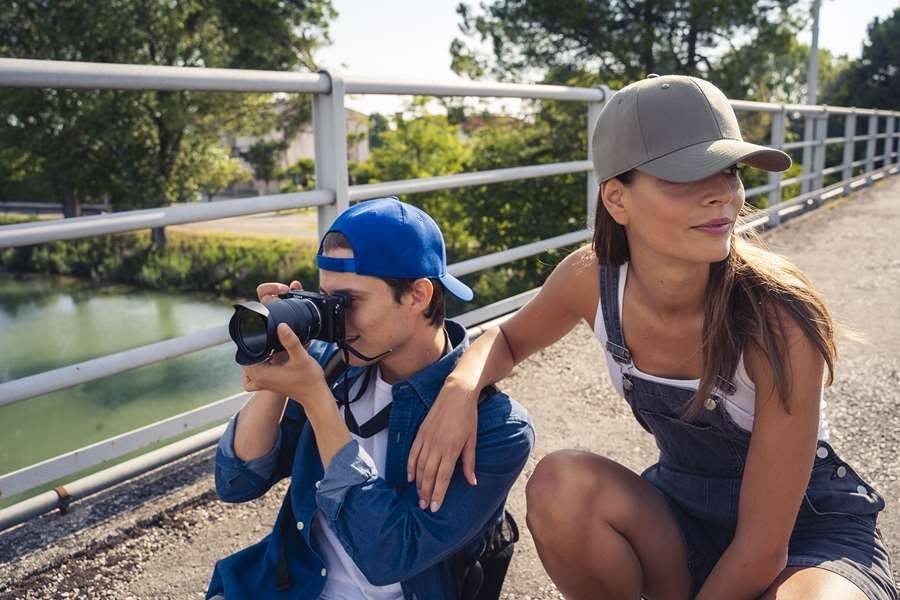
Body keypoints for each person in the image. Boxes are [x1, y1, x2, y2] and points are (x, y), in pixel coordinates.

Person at [407, 75, 898, 599]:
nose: (722, 196)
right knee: (560, 487)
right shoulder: (591, 279)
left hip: (804, 537)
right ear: (617, 199)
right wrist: (460, 390)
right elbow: (505, 338)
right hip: (681, 516)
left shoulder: (778, 319)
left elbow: (762, 549)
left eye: (729, 171)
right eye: (686, 176)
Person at [206, 197, 534, 600]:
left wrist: (318, 403)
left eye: (348, 303)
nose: (335, 319)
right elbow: (236, 483)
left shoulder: (497, 428)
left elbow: (387, 556)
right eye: (324, 299)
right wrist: (275, 370)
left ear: (417, 295)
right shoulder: (331, 367)